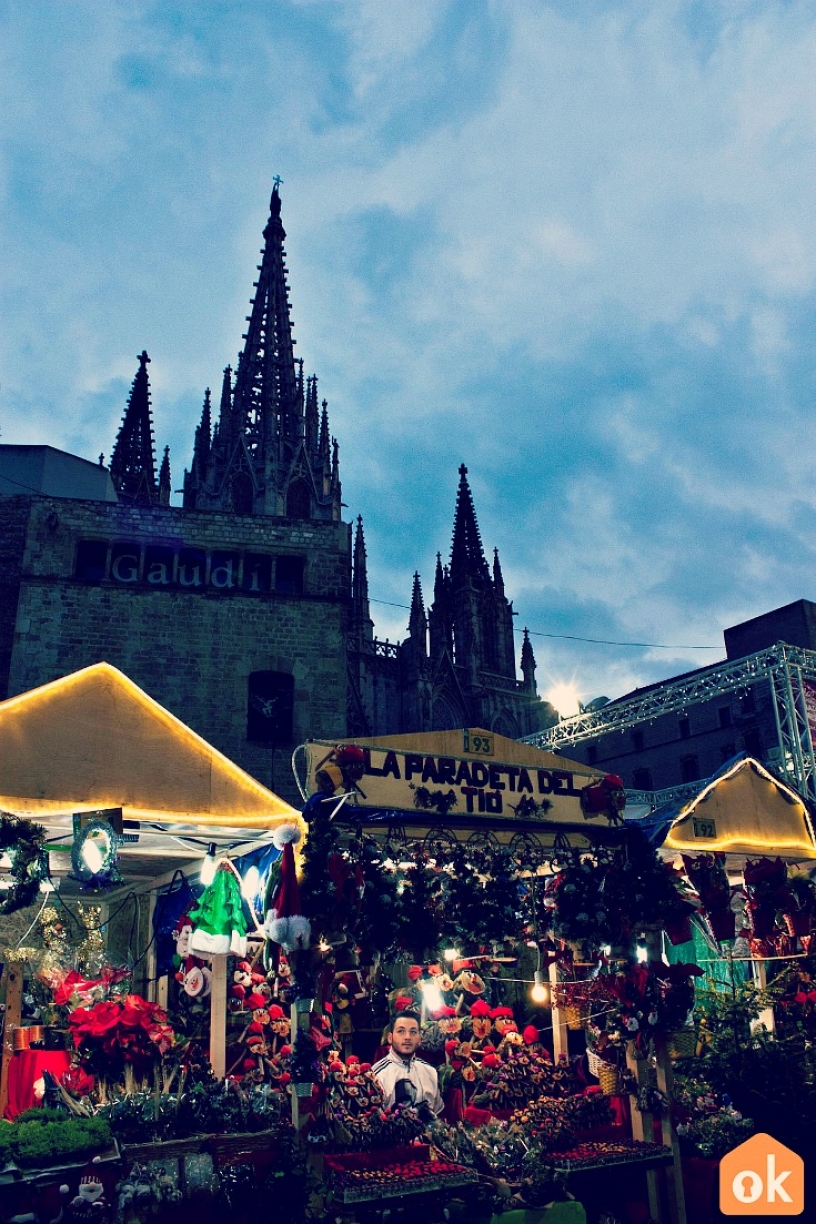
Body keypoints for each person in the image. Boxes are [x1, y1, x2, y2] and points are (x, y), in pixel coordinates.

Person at [371, 1010, 444, 1117]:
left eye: (413, 1032)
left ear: (420, 1039)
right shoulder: (377, 1074)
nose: (407, 1037)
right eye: (401, 1031)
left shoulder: (430, 1072)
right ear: (390, 1038)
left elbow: (437, 1114)